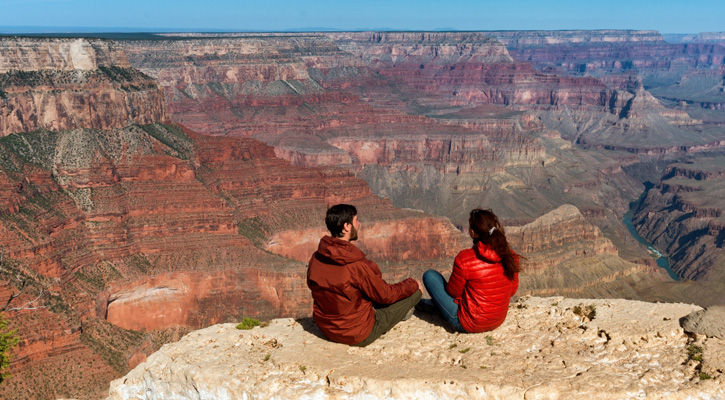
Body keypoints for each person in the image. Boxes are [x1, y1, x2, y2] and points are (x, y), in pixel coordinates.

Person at [307, 204, 422, 346]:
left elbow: (313, 286)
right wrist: (412, 283)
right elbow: (385, 295)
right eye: (356, 220)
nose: (359, 224)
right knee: (415, 293)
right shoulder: (355, 265)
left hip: (326, 328)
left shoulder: (316, 257)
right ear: (347, 227)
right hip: (357, 333)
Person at [420, 208, 520, 333]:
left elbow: (453, 293)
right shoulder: (510, 256)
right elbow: (512, 291)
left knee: (430, 276)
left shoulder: (465, 258)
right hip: (497, 320)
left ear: (472, 232)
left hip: (468, 323)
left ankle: (431, 306)